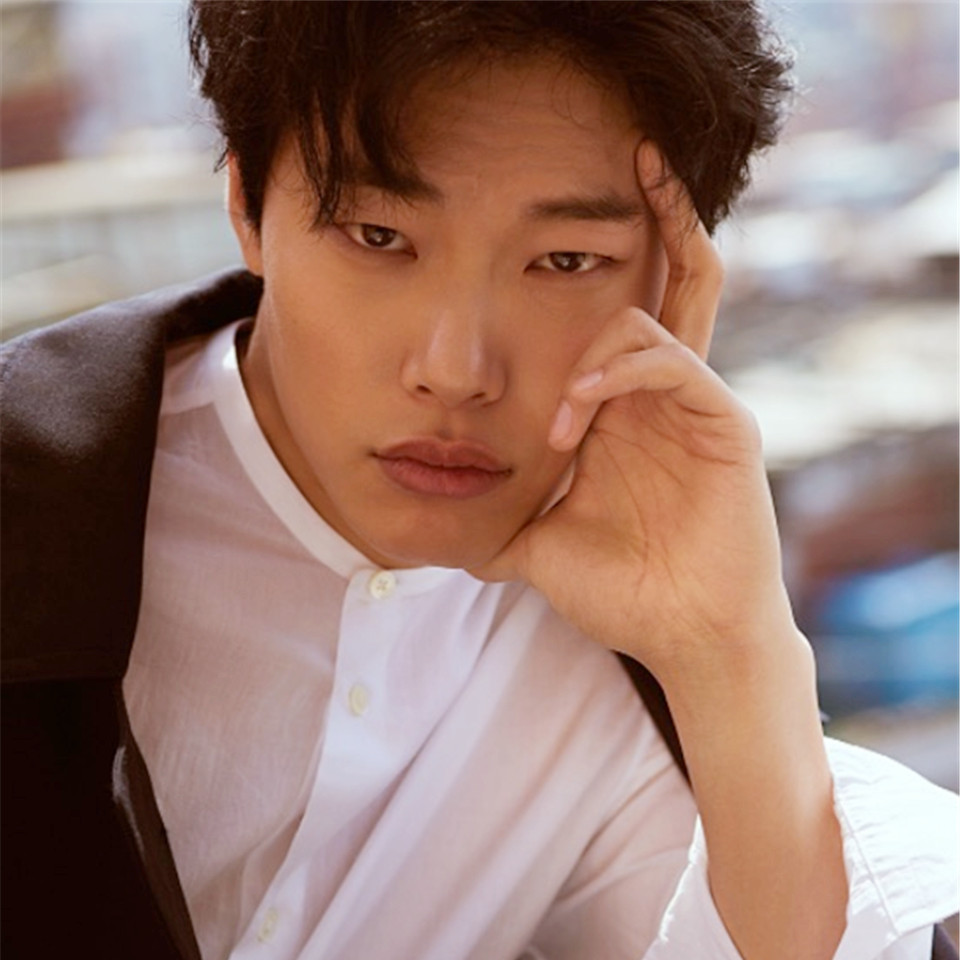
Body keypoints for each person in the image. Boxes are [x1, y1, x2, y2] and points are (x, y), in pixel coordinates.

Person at [2, 3, 956, 959]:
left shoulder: (622, 639)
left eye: (566, 260)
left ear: (676, 281)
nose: (456, 370)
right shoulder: (35, 502)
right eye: (379, 237)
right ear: (248, 206)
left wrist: (732, 652)